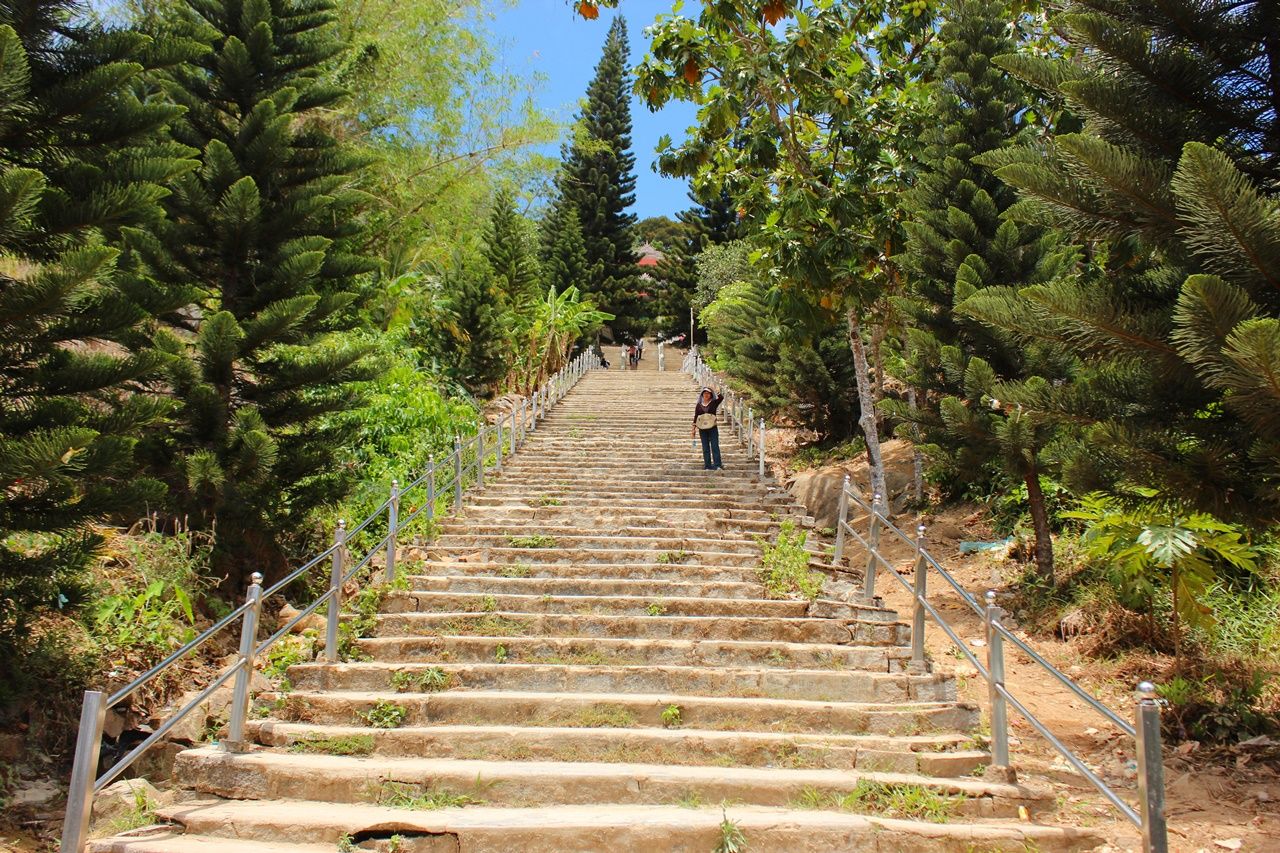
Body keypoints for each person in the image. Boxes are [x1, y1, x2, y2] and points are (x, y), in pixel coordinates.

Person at [692, 385, 725, 470]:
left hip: (712, 427)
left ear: (711, 395)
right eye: (705, 393)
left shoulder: (713, 403)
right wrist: (693, 429)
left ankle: (717, 465)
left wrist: (715, 389)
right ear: (702, 394)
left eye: (708, 393)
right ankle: (707, 465)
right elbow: (696, 416)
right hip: (702, 428)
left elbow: (721, 398)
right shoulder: (699, 405)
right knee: (705, 447)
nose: (706, 395)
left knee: (715, 446)